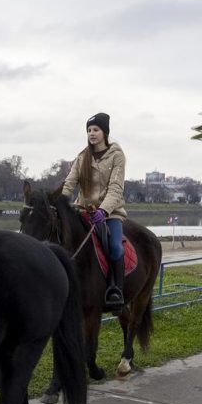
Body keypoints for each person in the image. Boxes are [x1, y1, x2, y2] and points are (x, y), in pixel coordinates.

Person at [62, 112, 127, 310]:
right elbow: (70, 183)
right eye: (89, 130)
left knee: (115, 247)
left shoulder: (117, 156)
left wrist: (104, 211)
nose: (92, 133)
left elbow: (116, 188)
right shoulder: (82, 157)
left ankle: (115, 289)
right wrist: (61, 201)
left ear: (105, 132)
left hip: (110, 213)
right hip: (82, 210)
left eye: (96, 130)